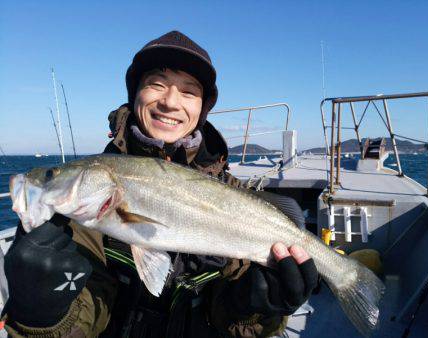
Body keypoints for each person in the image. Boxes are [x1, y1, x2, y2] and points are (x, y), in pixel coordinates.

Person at [3, 31, 318, 338]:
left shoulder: (235, 189)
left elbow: (233, 321)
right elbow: (85, 314)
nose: (170, 101)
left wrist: (259, 307)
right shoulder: (77, 212)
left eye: (189, 91)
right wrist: (40, 315)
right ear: (135, 94)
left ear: (202, 108)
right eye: (156, 84)